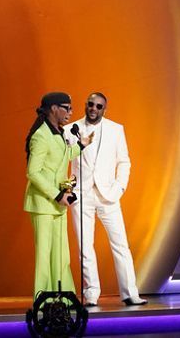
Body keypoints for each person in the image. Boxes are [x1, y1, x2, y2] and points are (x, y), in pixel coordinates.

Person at [65, 92, 146, 307]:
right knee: (85, 247)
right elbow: (62, 161)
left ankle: (130, 292)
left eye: (99, 106)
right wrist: (68, 190)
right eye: (91, 104)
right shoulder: (70, 130)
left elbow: (124, 161)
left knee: (120, 244)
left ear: (104, 109)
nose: (94, 109)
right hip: (82, 195)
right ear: (86, 105)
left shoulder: (115, 129)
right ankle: (91, 294)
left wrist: (119, 187)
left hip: (109, 195)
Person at [24, 92, 90, 299]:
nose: (71, 112)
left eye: (71, 108)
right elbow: (33, 172)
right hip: (44, 203)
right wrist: (56, 194)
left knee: (61, 254)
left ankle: (62, 298)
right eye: (67, 108)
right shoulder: (41, 135)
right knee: (44, 255)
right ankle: (42, 301)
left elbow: (61, 157)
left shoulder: (58, 132)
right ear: (53, 108)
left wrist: (81, 146)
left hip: (58, 204)